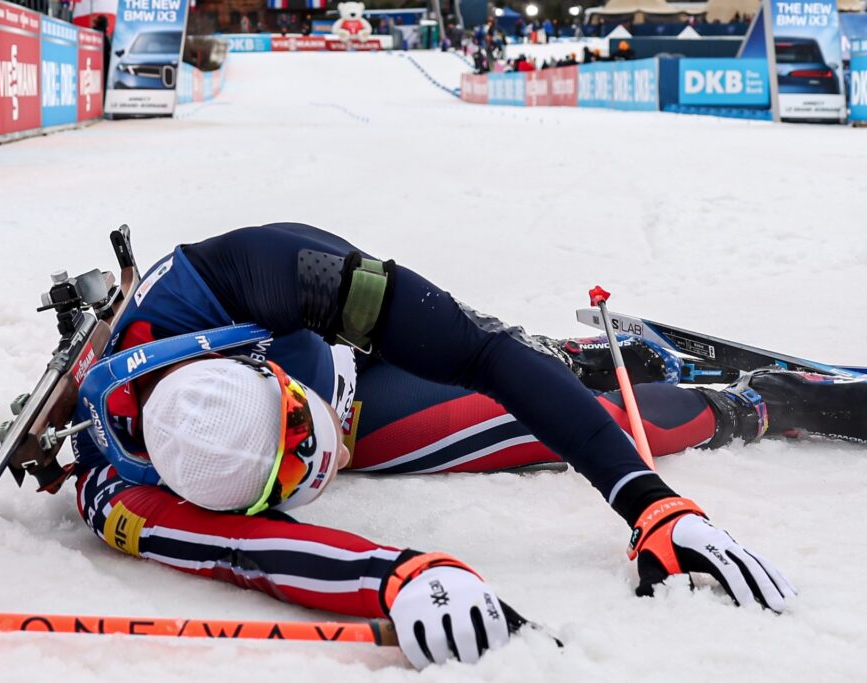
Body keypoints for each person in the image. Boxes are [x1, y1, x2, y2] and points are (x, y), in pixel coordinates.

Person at [67, 223, 854, 669]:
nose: (323, 463)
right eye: (294, 480)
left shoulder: (253, 273)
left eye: (303, 435)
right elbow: (242, 550)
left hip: (335, 354)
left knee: (487, 355)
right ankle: (755, 405)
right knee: (525, 427)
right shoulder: (116, 492)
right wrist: (401, 577)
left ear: (250, 360)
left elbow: (474, 347)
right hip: (353, 403)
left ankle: (566, 359)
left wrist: (654, 505)